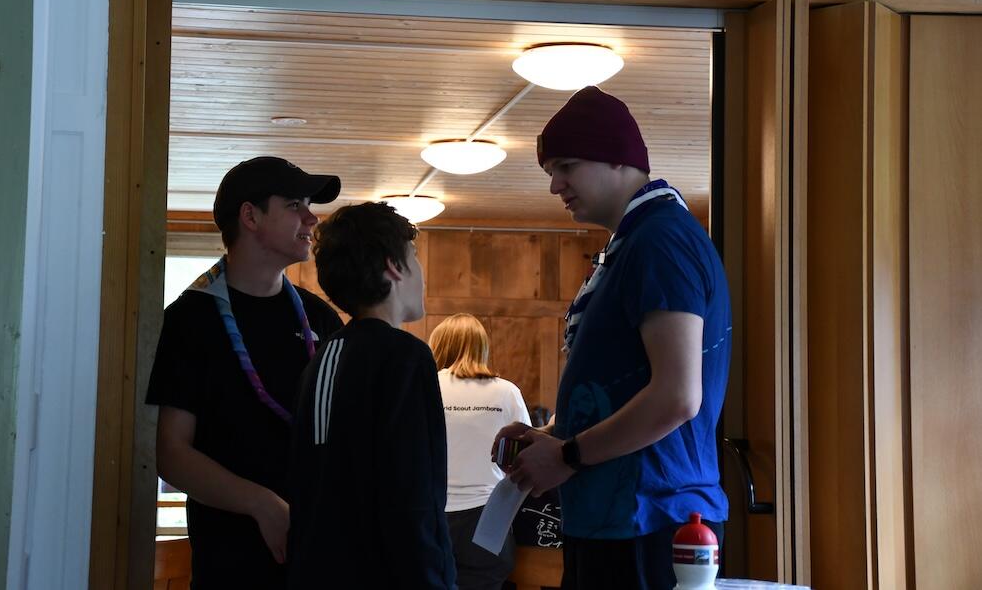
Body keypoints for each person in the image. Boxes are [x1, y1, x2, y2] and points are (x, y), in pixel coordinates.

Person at [494, 86, 732, 590]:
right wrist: (553, 436)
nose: (555, 185)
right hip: (619, 514)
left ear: (618, 157)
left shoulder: (661, 241)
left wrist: (567, 455)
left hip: (651, 516)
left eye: (566, 166)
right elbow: (625, 386)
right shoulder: (634, 243)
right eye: (550, 171)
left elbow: (677, 396)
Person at [145, 156, 345, 589]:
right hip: (230, 565)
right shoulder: (190, 319)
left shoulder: (321, 319)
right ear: (250, 217)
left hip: (316, 558)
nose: (312, 218)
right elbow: (171, 453)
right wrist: (263, 505)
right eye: (294, 205)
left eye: (309, 206)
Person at [287, 202, 456, 590]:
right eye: (414, 256)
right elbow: (415, 496)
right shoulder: (405, 356)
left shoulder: (322, 357)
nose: (421, 273)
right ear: (393, 266)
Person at [428, 313, 531, 590]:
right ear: (481, 348)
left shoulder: (426, 386)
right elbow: (526, 457)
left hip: (432, 515)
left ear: (438, 345)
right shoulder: (507, 392)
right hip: (489, 517)